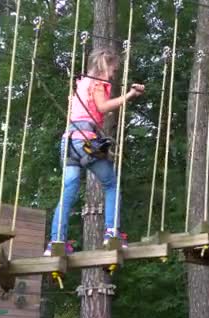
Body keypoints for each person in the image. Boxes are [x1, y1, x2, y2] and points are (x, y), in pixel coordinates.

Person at [44, 49, 145, 256]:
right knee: (111, 184)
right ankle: (111, 233)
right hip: (84, 140)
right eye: (113, 70)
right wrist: (130, 95)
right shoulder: (99, 82)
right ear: (105, 66)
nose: (112, 75)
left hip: (69, 142)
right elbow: (102, 106)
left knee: (67, 193)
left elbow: (78, 109)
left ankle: (56, 242)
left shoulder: (81, 83)